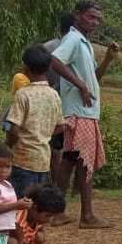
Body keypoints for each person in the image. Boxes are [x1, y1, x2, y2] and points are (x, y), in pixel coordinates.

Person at [50, 0, 118, 228]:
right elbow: (55, 60)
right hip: (79, 112)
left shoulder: (83, 42)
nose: (95, 22)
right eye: (91, 17)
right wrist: (79, 85)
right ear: (77, 15)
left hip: (84, 110)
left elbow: (92, 80)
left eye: (98, 19)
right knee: (84, 162)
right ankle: (86, 215)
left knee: (70, 160)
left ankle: (56, 211)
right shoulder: (72, 39)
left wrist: (107, 59)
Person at [5, 46, 65, 197]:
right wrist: (42, 134)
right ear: (49, 67)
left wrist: (8, 146)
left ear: (25, 67)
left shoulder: (23, 94)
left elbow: (14, 130)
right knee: (37, 203)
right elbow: (60, 126)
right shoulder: (54, 95)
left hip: (22, 158)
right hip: (43, 159)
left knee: (21, 202)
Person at [45, 12, 77, 183]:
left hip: (48, 101)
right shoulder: (77, 46)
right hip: (71, 104)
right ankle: (60, 185)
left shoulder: (47, 47)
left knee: (53, 147)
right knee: (73, 151)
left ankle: (52, 182)